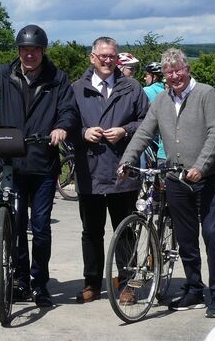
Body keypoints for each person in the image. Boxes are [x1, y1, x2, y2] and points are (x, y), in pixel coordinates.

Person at [0, 24, 77, 307]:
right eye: (25, 50)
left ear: (42, 51)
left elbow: (68, 110)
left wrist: (61, 127)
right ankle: (20, 280)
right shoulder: (3, 74)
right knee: (17, 225)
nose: (29, 55)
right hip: (11, 161)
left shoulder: (57, 79)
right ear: (19, 51)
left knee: (41, 227)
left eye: (34, 50)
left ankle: (40, 283)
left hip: (44, 162)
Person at [118, 48, 215, 317]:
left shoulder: (206, 93)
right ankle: (193, 288)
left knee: (212, 235)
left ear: (187, 69)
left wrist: (201, 167)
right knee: (186, 238)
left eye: (178, 70)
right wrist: (126, 160)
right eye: (169, 72)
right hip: (176, 178)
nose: (174, 76)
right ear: (163, 75)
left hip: (207, 177)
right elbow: (145, 131)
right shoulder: (162, 100)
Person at [71, 37, 148, 304]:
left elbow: (147, 123)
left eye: (111, 56)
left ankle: (128, 285)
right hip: (89, 172)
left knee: (125, 230)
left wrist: (125, 131)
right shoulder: (76, 90)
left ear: (117, 59)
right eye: (102, 56)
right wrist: (83, 132)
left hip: (122, 171)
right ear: (92, 57)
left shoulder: (132, 88)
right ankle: (91, 283)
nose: (107, 60)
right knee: (91, 232)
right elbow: (65, 125)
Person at [143, 62, 167, 163]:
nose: (144, 78)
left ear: (154, 77)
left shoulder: (146, 91)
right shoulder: (167, 90)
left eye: (146, 75)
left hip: (153, 140)